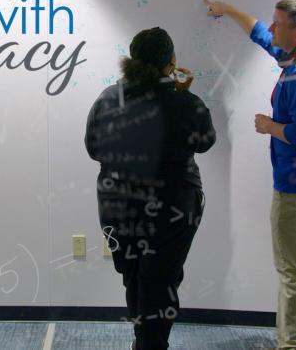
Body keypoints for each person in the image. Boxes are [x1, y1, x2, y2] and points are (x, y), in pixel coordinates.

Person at [203, 0, 296, 350]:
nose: (272, 28)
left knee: (294, 273)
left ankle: (292, 345)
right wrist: (231, 8)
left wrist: (270, 126)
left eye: (278, 23)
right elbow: (265, 38)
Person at [85, 27, 216, 350]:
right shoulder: (185, 101)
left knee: (135, 274)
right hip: (174, 205)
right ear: (171, 62)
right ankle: (150, 343)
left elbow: (93, 148)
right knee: (161, 278)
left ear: (132, 60)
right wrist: (183, 96)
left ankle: (144, 339)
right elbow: (205, 142)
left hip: (119, 204)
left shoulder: (109, 98)